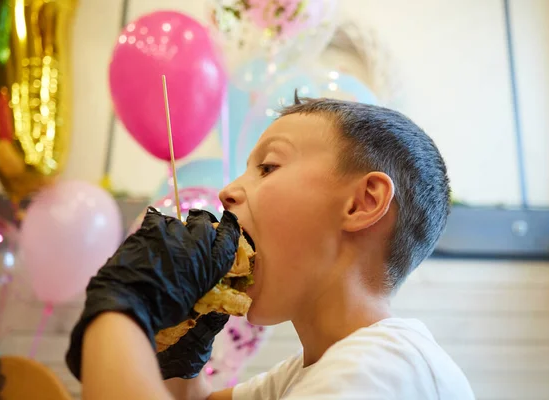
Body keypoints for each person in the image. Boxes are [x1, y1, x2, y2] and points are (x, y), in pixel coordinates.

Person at [65, 96, 475, 399]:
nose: (227, 191)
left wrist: (125, 302)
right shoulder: (303, 374)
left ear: (362, 202)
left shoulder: (384, 371)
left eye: (268, 167)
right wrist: (178, 351)